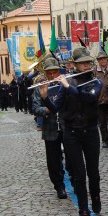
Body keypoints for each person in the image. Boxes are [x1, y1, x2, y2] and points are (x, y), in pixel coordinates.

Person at [42, 47, 103, 216]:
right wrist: (46, 97)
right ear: (74, 65)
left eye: (88, 62)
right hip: (72, 133)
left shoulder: (96, 81)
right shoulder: (66, 82)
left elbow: (88, 99)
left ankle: (96, 195)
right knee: (78, 173)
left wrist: (69, 87)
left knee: (93, 171)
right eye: (82, 63)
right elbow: (55, 108)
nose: (86, 65)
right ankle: (83, 210)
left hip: (91, 131)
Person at [32, 58, 68, 199]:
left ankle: (75, 181)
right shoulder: (40, 87)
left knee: (72, 158)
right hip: (50, 128)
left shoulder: (65, 84)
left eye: (55, 72)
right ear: (45, 73)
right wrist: (47, 109)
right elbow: (35, 108)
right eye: (50, 73)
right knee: (53, 161)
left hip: (66, 126)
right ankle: (59, 186)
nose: (53, 76)